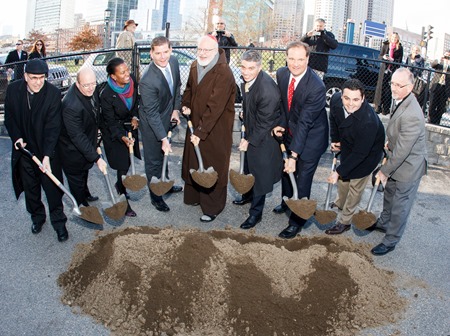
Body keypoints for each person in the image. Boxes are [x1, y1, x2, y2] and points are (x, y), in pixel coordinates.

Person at [4, 59, 68, 242]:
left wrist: (47, 155)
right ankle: (37, 218)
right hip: (24, 151)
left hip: (46, 149)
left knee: (52, 189)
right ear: (25, 76)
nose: (39, 82)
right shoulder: (14, 90)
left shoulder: (53, 94)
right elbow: (9, 117)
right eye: (34, 78)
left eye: (42, 77)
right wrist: (17, 137)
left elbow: (53, 127)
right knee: (31, 189)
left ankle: (59, 223)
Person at [272, 41, 329, 239]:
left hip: (312, 137)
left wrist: (294, 155)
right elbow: (284, 106)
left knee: (302, 176)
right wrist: (280, 123)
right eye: (292, 58)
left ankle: (296, 221)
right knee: (285, 170)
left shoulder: (316, 86)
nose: (295, 64)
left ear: (308, 59)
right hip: (290, 130)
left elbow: (305, 122)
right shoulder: (282, 74)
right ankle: (287, 201)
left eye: (300, 59)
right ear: (286, 58)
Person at [368, 68, 427, 256]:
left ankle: (391, 240)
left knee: (400, 205)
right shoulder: (402, 100)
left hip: (408, 167)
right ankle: (384, 223)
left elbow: (403, 150)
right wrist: (390, 142)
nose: (394, 88)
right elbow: (399, 135)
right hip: (397, 159)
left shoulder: (413, 114)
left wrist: (384, 171)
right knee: (389, 195)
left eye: (399, 85)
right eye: (392, 83)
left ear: (410, 87)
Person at [181, 35, 236, 222]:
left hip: (215, 128)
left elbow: (215, 106)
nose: (203, 53)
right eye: (200, 50)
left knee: (213, 163)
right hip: (196, 121)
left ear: (216, 50)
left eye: (207, 50)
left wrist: (200, 132)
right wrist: (185, 103)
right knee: (195, 160)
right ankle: (194, 196)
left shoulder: (224, 72)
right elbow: (188, 89)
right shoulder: (194, 65)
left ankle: (213, 207)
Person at [325, 79, 385, 235]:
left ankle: (345, 221)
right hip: (348, 144)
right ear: (342, 96)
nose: (350, 103)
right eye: (347, 98)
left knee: (354, 187)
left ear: (363, 98)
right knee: (344, 180)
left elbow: (360, 154)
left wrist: (337, 171)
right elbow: (333, 119)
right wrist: (335, 139)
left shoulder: (368, 121)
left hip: (367, 154)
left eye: (356, 99)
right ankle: (340, 203)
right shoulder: (336, 100)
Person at [232, 50, 282, 229]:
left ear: (259, 67)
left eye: (251, 68)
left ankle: (256, 214)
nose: (246, 72)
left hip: (264, 137)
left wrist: (249, 140)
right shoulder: (248, 81)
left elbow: (265, 123)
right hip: (253, 128)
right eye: (243, 67)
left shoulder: (267, 90)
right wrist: (245, 113)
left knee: (260, 174)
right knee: (247, 165)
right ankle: (247, 196)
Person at [139, 36, 183, 212]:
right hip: (151, 124)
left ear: (171, 50)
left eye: (165, 52)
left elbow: (177, 87)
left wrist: (175, 109)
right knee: (154, 161)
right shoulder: (147, 80)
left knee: (164, 157)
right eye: (158, 53)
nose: (162, 57)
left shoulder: (173, 61)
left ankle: (165, 183)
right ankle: (156, 196)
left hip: (167, 114)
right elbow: (151, 114)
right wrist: (163, 138)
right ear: (151, 54)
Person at [58, 67, 107, 207]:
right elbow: (77, 136)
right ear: (77, 84)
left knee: (84, 172)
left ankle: (86, 194)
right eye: (86, 85)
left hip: (86, 143)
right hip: (71, 150)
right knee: (76, 179)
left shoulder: (91, 89)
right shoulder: (70, 105)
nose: (91, 88)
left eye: (93, 83)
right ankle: (82, 206)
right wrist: (97, 159)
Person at [99, 57, 141, 217]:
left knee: (128, 162)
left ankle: (119, 185)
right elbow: (109, 122)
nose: (127, 74)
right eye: (122, 72)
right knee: (122, 166)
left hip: (129, 126)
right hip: (114, 131)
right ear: (113, 77)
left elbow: (136, 103)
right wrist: (121, 137)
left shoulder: (132, 82)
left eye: (127, 70)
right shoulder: (107, 94)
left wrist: (135, 117)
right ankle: (124, 203)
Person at [374, 32, 403, 115]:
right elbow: (380, 56)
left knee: (389, 89)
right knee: (380, 88)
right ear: (390, 38)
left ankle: (386, 108)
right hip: (384, 69)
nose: (394, 39)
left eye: (396, 38)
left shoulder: (399, 48)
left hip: (392, 71)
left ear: (397, 39)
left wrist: (393, 60)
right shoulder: (386, 45)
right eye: (393, 37)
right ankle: (378, 106)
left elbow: (399, 61)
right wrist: (384, 57)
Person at [428, 50, 450, 125]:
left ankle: (437, 121)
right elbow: (433, 65)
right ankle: (431, 120)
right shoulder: (439, 64)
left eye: (448, 57)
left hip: (444, 88)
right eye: (446, 56)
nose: (447, 59)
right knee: (432, 105)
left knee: (441, 107)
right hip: (436, 85)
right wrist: (440, 59)